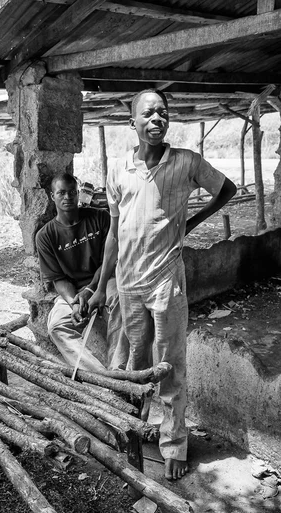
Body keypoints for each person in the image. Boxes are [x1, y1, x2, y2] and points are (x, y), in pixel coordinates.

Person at [88, 89, 237, 481]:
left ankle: (174, 444)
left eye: (163, 113)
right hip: (128, 283)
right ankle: (129, 429)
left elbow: (227, 189)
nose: (157, 119)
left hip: (166, 280)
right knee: (133, 364)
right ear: (132, 123)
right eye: (148, 114)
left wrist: (190, 223)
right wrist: (103, 285)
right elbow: (114, 233)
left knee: (170, 364)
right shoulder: (119, 169)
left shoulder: (186, 162)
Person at [36, 173, 128, 371]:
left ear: (78, 194)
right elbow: (58, 280)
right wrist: (75, 303)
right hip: (74, 292)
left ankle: (118, 368)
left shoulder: (100, 217)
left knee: (123, 300)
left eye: (71, 192)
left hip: (105, 281)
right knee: (56, 325)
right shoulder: (45, 236)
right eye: (61, 193)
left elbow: (109, 261)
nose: (67, 197)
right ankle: (100, 376)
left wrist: (92, 289)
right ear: (52, 196)